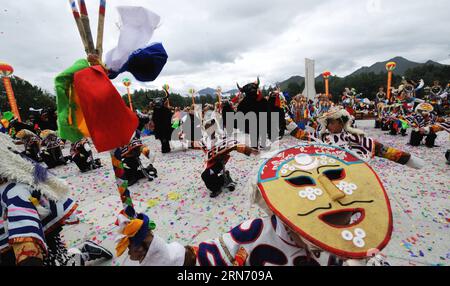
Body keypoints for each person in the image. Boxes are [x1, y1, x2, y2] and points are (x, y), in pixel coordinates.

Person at [117, 143, 393, 266]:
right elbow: (204, 261)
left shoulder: (360, 248)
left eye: (334, 180)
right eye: (301, 184)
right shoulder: (258, 233)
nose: (331, 194)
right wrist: (155, 250)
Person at [0, 133, 112, 266]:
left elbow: (28, 251)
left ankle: (84, 253)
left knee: (58, 263)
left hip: (36, 233)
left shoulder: (13, 191)